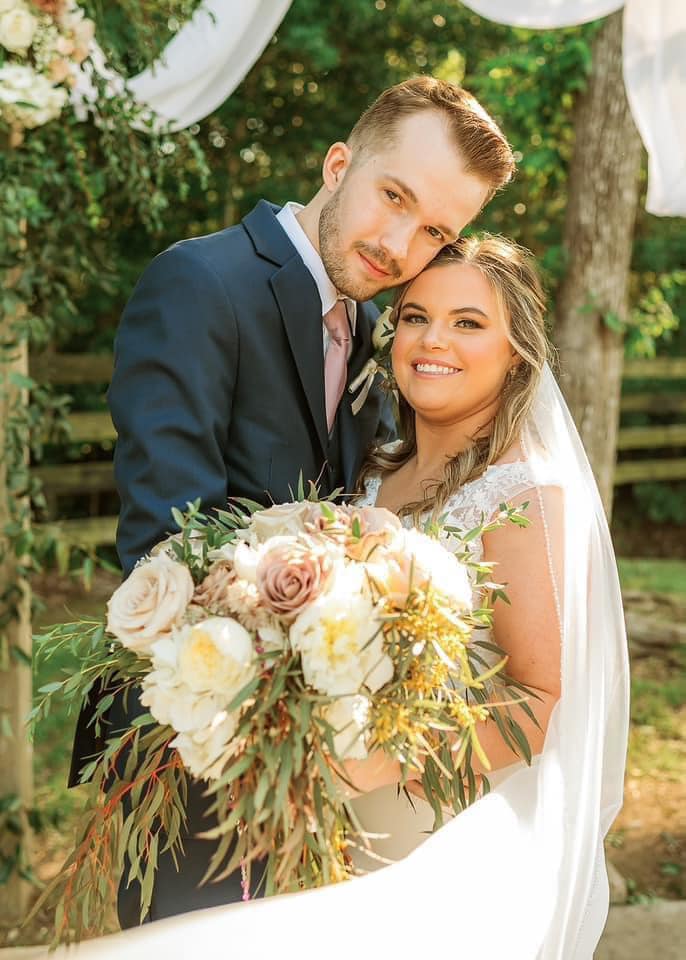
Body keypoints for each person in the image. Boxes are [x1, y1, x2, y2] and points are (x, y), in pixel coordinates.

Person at [52, 235, 629, 960]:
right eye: (415, 316)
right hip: (321, 831)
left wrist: (369, 767)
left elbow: (541, 699)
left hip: (435, 831)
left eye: (468, 322)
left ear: (517, 350)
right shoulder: (378, 470)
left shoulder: (529, 496)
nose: (432, 339)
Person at [67, 76, 516, 928]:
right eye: (393, 197)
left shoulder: (375, 335)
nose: (399, 245)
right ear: (338, 161)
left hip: (319, 763)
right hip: (191, 743)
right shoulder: (201, 283)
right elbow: (168, 538)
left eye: (436, 232)